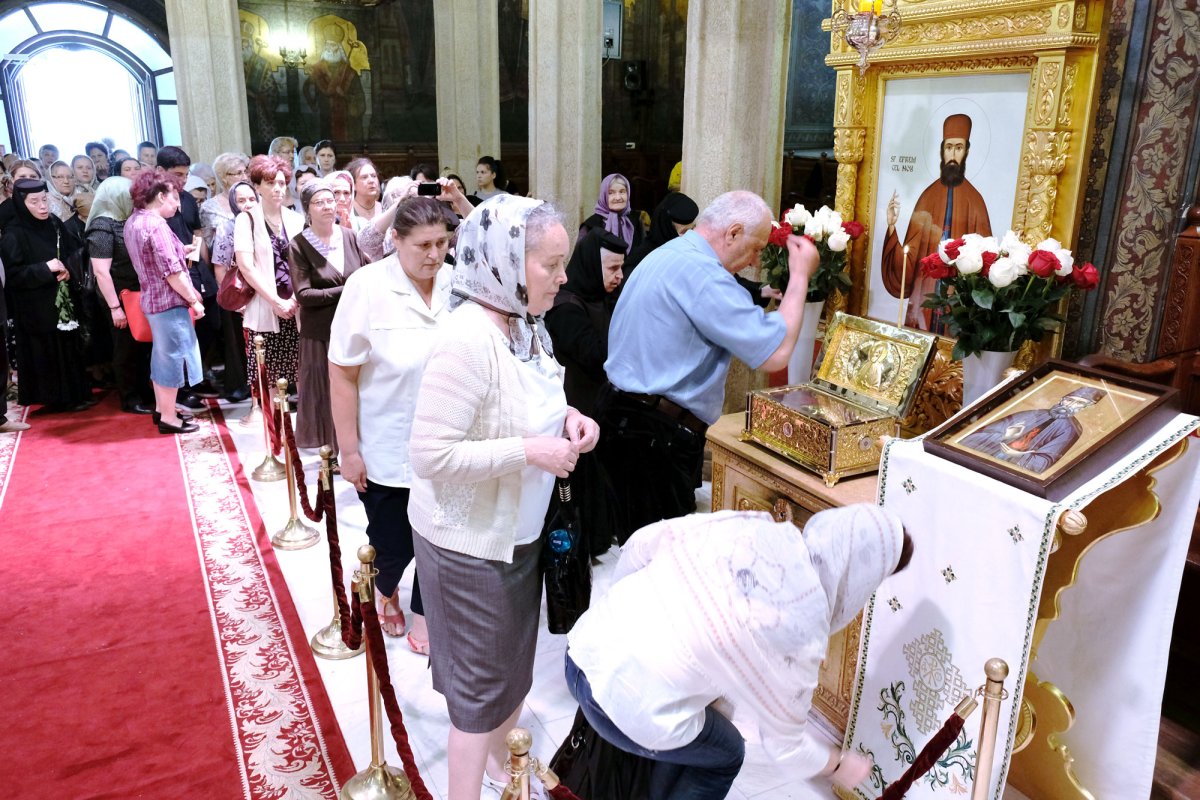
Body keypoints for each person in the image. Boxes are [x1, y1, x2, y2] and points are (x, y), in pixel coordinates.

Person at [408, 196, 599, 800]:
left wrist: (570, 419)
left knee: (513, 671)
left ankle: (500, 766)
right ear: (508, 261)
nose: (564, 277)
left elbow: (533, 402)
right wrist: (530, 451)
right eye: (551, 264)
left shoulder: (526, 323)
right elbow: (430, 456)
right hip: (469, 546)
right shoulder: (467, 340)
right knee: (478, 690)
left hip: (520, 531)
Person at [564, 505, 910, 797]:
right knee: (727, 752)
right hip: (616, 706)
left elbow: (640, 544)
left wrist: (623, 624)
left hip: (583, 648)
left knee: (701, 723)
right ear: (863, 580)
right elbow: (784, 747)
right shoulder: (803, 625)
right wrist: (836, 763)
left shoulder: (752, 525)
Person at [598, 191, 818, 542]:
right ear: (732, 233)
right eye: (757, 248)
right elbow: (775, 353)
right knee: (662, 561)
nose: (755, 262)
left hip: (625, 419)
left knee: (637, 549)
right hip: (654, 438)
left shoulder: (671, 253)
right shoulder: (703, 274)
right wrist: (800, 278)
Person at [329, 196, 458, 654]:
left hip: (448, 442)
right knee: (392, 543)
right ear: (396, 240)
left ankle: (425, 609)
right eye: (423, 245)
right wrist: (349, 449)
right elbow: (342, 372)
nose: (434, 255)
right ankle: (384, 590)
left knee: (440, 537)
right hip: (388, 444)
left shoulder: (456, 283)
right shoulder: (366, 287)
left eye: (443, 243)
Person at [544, 228, 627, 557]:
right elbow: (595, 357)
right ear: (593, 265)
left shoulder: (600, 299)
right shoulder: (566, 307)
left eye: (622, 267)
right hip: (576, 410)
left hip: (598, 408)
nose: (619, 276)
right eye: (612, 268)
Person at [881, 114, 993, 331]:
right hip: (926, 292)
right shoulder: (927, 196)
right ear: (941, 150)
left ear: (966, 151)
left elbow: (986, 258)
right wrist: (892, 226)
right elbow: (909, 256)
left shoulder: (976, 201)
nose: (952, 154)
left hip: (959, 297)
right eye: (948, 147)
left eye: (958, 148)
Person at [124, 169, 205, 433]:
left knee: (161, 358)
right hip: (169, 302)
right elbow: (172, 273)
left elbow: (153, 258)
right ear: (160, 196)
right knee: (172, 359)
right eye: (174, 198)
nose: (178, 204)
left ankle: (162, 410)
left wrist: (182, 250)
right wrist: (194, 301)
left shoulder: (134, 221)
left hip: (152, 301)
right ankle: (169, 418)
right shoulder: (156, 224)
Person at [287, 180, 365, 452]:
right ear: (307, 209)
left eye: (330, 200)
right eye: (319, 202)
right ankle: (330, 449)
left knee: (356, 388)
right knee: (327, 391)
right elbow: (304, 295)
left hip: (353, 325)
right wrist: (347, 289)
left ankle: (355, 445)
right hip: (321, 331)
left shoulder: (348, 236)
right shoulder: (298, 244)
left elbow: (366, 274)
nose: (327, 206)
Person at [0, 178, 91, 411]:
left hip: (61, 299)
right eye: (34, 202)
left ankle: (75, 393)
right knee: (45, 350)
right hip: (34, 305)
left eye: (44, 199)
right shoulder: (13, 233)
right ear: (21, 204)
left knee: (68, 345)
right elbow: (14, 275)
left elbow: (73, 253)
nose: (42, 206)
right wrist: (44, 268)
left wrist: (68, 272)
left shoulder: (54, 223)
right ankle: (53, 399)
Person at [234, 155, 305, 398]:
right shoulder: (246, 219)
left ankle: (303, 432)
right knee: (271, 380)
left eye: (282, 183)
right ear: (257, 186)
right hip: (266, 306)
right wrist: (275, 301)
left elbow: (305, 264)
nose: (277, 189)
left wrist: (295, 298)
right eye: (270, 183)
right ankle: (278, 435)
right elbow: (246, 266)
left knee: (303, 373)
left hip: (296, 307)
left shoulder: (296, 219)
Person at [88, 176, 154, 415]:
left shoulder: (128, 220)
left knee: (140, 345)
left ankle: (144, 390)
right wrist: (115, 307)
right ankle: (129, 397)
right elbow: (101, 272)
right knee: (124, 348)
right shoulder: (102, 227)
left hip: (136, 292)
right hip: (117, 296)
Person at [158, 146, 219, 405]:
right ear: (160, 172)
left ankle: (198, 375)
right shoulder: (153, 200)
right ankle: (181, 389)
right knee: (181, 333)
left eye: (185, 174)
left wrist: (202, 266)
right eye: (177, 174)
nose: (182, 180)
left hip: (196, 269)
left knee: (211, 324)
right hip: (172, 273)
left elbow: (197, 234)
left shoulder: (187, 199)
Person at [958, 386, 1106, 473]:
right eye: (1070, 400)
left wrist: (1018, 455)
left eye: (1079, 403)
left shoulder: (1069, 429)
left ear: (1085, 408)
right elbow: (972, 437)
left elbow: (1043, 465)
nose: (1071, 405)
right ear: (1062, 399)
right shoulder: (1034, 413)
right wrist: (1003, 437)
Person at [201, 153, 252, 402]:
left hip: (254, 272)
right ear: (223, 177)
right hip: (227, 273)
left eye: (245, 171)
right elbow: (208, 246)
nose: (243, 176)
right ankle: (238, 384)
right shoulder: (210, 207)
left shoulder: (254, 202)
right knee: (233, 334)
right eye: (237, 173)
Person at [210, 180, 259, 404]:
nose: (247, 204)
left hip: (262, 291)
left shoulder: (263, 224)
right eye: (241, 200)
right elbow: (220, 268)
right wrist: (234, 301)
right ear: (233, 203)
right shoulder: (226, 227)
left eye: (251, 199)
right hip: (236, 293)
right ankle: (240, 386)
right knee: (237, 343)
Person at [623, 191, 699, 276]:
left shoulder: (691, 257)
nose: (690, 237)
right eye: (684, 232)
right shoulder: (639, 263)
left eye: (692, 229)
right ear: (667, 230)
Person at [580, 173, 642, 251]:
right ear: (604, 196)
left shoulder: (635, 220)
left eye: (622, 192)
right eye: (611, 193)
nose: (618, 197)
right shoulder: (591, 225)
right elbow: (583, 257)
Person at [346, 158, 380, 227]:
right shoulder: (348, 211)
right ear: (353, 184)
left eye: (374, 176)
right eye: (364, 177)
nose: (371, 180)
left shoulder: (385, 208)